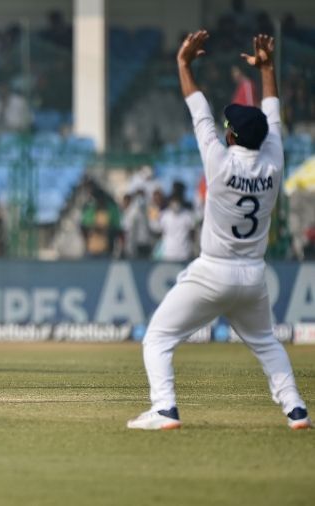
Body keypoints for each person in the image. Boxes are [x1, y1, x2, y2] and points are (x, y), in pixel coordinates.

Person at [127, 32, 310, 430]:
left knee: (157, 338)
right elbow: (274, 115)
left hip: (213, 270)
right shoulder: (275, 163)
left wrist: (183, 65)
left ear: (231, 137)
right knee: (267, 343)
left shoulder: (220, 163)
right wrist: (267, 70)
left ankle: (164, 409)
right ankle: (295, 409)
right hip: (253, 274)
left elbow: (199, 113)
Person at [154, 194, 196, 261]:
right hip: (168, 253)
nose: (175, 204)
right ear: (170, 203)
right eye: (173, 202)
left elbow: (193, 233)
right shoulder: (164, 215)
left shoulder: (188, 215)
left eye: (177, 202)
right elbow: (158, 230)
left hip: (184, 254)